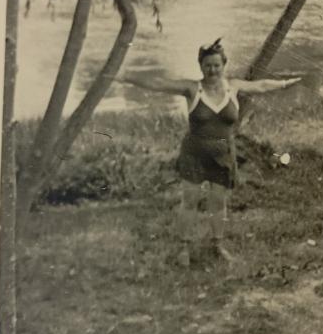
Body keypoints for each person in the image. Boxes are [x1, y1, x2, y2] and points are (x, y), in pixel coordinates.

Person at [120, 39, 301, 262]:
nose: (212, 70)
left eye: (216, 65)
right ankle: (184, 248)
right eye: (207, 65)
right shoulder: (192, 88)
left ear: (224, 65)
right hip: (194, 153)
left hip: (223, 154)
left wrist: (285, 83)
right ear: (201, 66)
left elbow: (261, 86)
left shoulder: (232, 86)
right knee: (190, 200)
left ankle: (218, 245)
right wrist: (125, 77)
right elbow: (159, 83)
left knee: (218, 202)